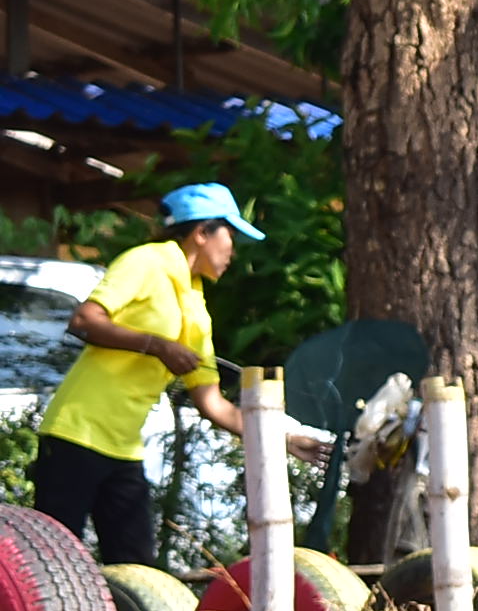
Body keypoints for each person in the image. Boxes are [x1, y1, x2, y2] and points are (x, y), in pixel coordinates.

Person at [33, 183, 320, 564]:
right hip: (75, 434)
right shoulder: (147, 262)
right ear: (201, 233)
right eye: (230, 236)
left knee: (139, 575)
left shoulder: (196, 304)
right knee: (50, 565)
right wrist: (158, 346)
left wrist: (281, 437)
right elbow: (85, 320)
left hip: (124, 449)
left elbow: (214, 404)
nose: (233, 251)